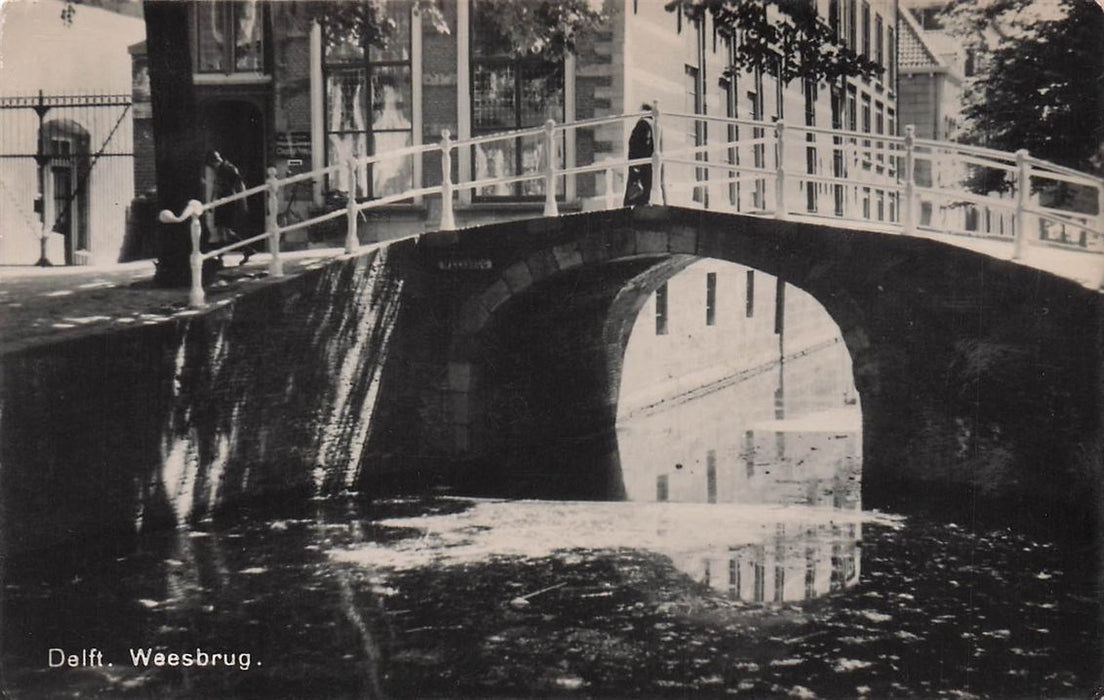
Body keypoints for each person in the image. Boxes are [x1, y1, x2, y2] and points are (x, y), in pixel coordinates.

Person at [205, 150, 254, 265]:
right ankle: (220, 258)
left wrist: (242, 200)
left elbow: (239, 184)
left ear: (215, 161)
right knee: (221, 230)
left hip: (228, 201)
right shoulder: (220, 170)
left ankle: (247, 249)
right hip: (222, 201)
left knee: (226, 231)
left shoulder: (229, 168)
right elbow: (216, 187)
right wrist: (213, 202)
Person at [623, 104, 655, 207]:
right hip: (647, 167)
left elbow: (641, 145)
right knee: (643, 198)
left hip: (640, 168)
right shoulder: (653, 125)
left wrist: (636, 167)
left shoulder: (643, 124)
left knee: (633, 199)